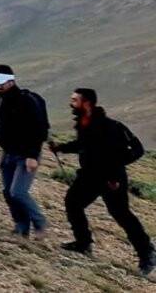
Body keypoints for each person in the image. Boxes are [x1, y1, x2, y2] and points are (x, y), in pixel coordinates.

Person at [50, 89, 154, 275]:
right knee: (73, 203)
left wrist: (114, 176)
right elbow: (85, 146)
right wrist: (62, 148)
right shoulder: (84, 124)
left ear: (87, 103)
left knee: (121, 214)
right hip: (89, 176)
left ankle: (147, 254)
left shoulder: (109, 127)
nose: (71, 103)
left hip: (110, 179)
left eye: (75, 100)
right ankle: (83, 243)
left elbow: (132, 151)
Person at [0, 65, 49, 238]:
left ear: (11, 81)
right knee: (8, 192)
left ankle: (40, 222)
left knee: (18, 192)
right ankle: (21, 228)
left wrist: (32, 155)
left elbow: (39, 130)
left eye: (1, 83)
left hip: (26, 155)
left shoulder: (27, 101)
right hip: (8, 153)